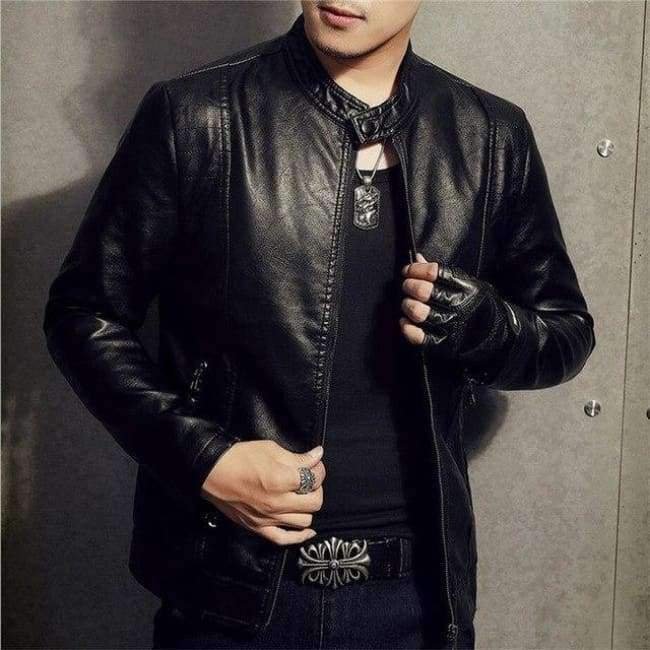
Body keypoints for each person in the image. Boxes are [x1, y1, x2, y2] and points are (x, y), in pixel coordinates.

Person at [42, 1, 596, 649]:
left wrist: (489, 329)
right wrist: (203, 459)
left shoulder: (490, 136)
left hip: (416, 600)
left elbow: (565, 331)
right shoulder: (197, 115)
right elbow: (84, 313)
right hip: (232, 593)